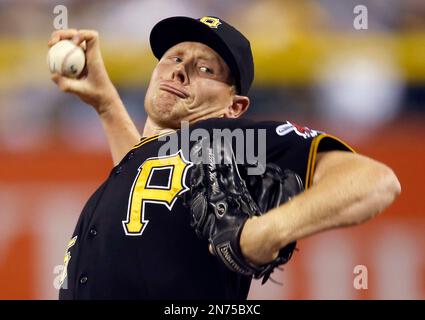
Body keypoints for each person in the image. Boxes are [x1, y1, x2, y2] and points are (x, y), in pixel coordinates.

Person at [48, 16, 401, 300]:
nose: (179, 69)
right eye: (174, 57)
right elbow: (149, 174)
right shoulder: (153, 159)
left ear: (234, 107)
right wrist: (107, 104)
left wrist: (268, 230)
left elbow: (374, 180)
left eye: (206, 69)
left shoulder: (226, 140)